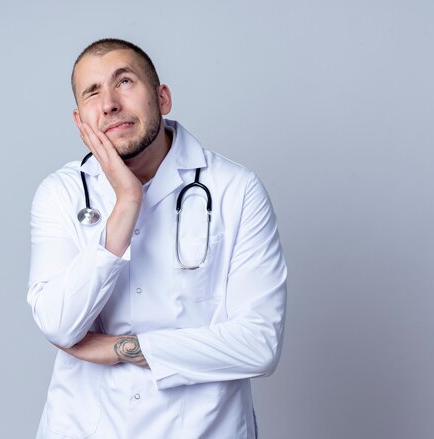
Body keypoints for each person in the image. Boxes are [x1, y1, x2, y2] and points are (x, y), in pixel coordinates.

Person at [27, 38, 287, 439]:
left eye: (125, 82)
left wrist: (124, 348)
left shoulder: (235, 189)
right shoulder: (60, 193)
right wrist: (126, 205)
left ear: (163, 98)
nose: (110, 103)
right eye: (93, 92)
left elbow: (259, 344)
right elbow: (60, 326)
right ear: (81, 119)